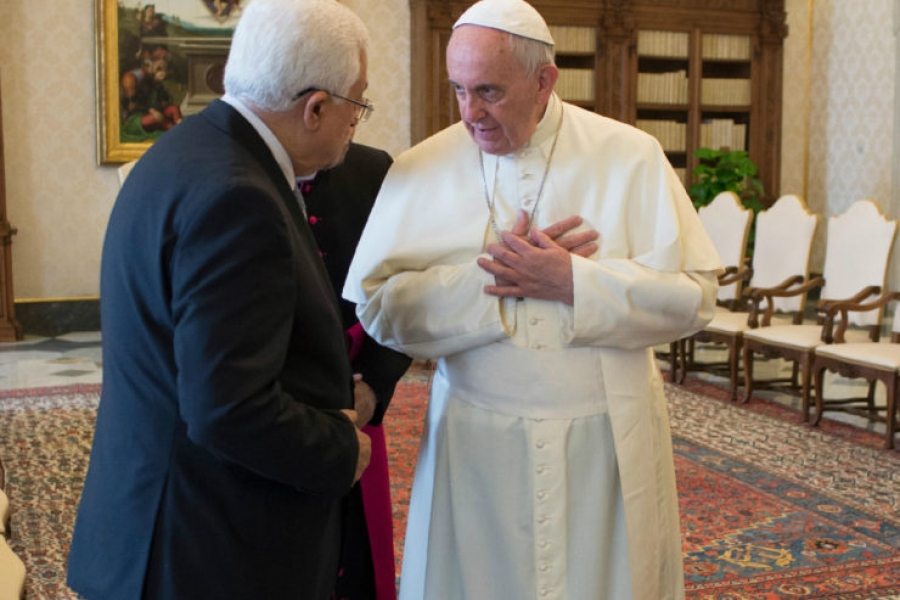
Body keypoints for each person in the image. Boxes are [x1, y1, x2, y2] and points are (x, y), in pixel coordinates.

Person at [343, 0, 723, 598]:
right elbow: (379, 310)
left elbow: (695, 298)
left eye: (489, 91)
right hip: (476, 443)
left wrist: (573, 282)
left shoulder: (630, 155)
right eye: (459, 91)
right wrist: (492, 279)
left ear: (544, 80)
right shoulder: (423, 167)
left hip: (604, 439)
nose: (471, 114)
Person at [68, 1, 375, 598]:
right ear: (315, 107)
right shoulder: (239, 198)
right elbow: (226, 406)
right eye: (357, 103)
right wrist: (339, 446)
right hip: (205, 549)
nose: (355, 122)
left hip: (158, 522)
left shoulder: (185, 150)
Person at [302, 142, 412, 599]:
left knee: (353, 561)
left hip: (356, 398)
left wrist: (375, 386)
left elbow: (405, 291)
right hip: (266, 405)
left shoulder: (374, 169)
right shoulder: (234, 165)